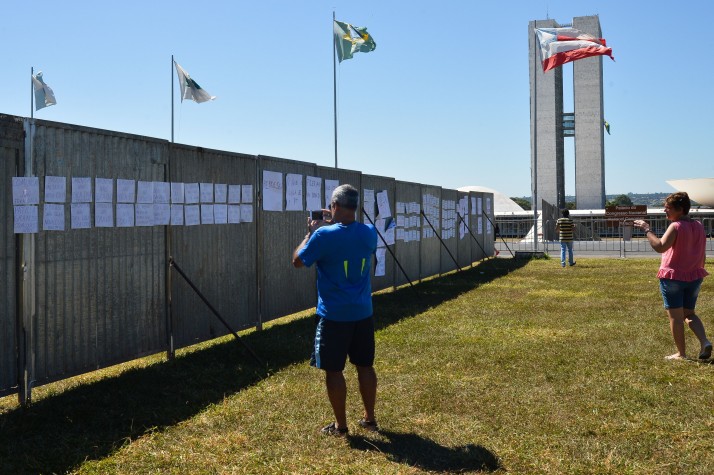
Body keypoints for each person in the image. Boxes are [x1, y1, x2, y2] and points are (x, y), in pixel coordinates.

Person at [292, 184, 379, 436]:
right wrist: (337, 221)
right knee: (365, 366)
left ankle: (341, 426)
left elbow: (297, 261)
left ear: (335, 206)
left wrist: (310, 233)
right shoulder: (370, 233)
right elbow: (353, 235)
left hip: (334, 315)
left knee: (334, 370)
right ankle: (370, 419)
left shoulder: (323, 236)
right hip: (363, 313)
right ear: (355, 206)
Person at [633, 192, 712, 360]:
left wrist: (647, 229)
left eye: (668, 208)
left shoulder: (675, 226)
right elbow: (702, 253)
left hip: (673, 277)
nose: (664, 210)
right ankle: (705, 341)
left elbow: (660, 246)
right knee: (689, 313)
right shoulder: (698, 225)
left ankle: (681, 354)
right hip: (695, 276)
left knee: (675, 317)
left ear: (680, 209)